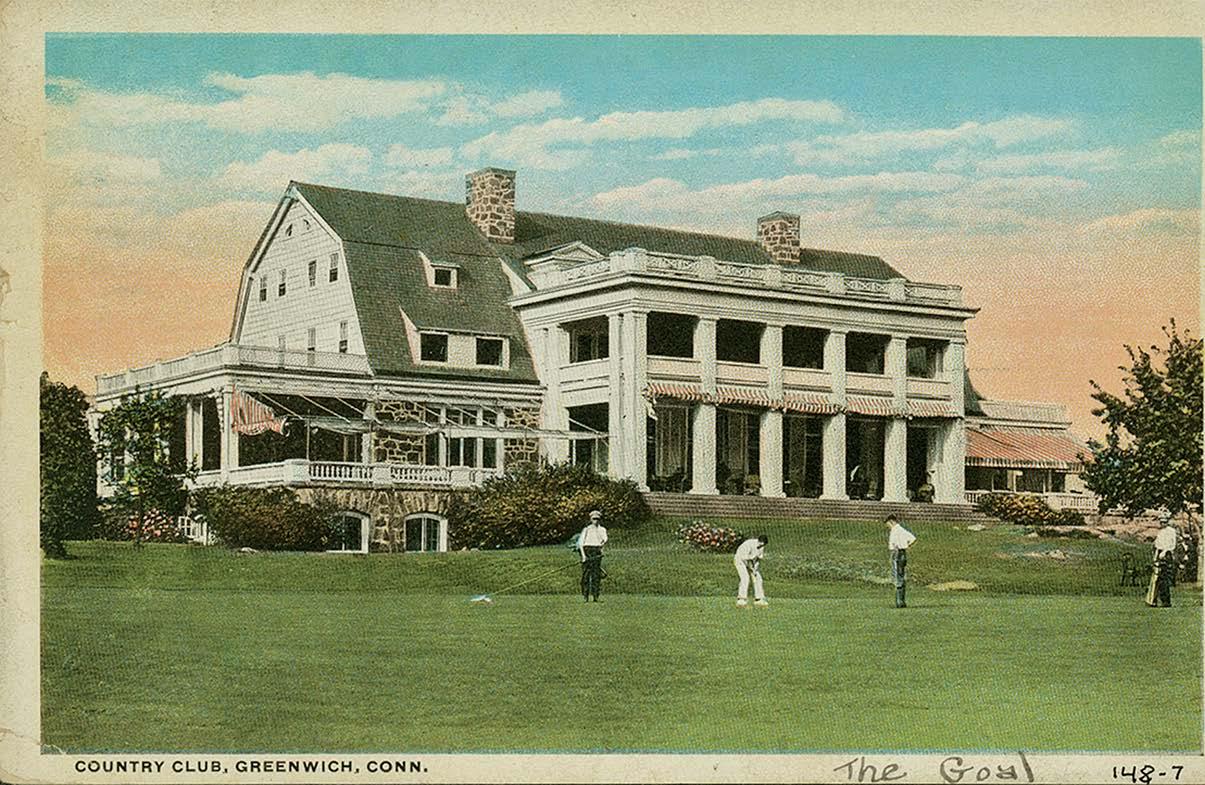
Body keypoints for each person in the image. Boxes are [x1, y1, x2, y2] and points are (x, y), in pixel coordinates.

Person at [1146, 513, 1178, 608]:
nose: (1162, 523)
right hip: (1159, 554)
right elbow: (1157, 545)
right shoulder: (1160, 532)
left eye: (1164, 522)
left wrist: (1164, 551)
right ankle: (1154, 599)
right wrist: (1156, 556)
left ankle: (1166, 601)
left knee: (1163, 579)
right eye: (1161, 522)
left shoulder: (1171, 531)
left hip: (1166, 554)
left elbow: (1172, 545)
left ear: (1167, 522)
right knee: (1157, 579)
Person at [886, 515, 916, 608]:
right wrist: (906, 546)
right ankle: (901, 600)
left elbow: (893, 544)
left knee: (898, 576)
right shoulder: (902, 530)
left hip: (897, 552)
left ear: (891, 521)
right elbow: (912, 539)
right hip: (902, 552)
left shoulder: (896, 530)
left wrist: (899, 547)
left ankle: (899, 601)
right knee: (901, 575)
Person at [578, 509, 608, 602]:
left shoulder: (602, 529)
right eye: (594, 519)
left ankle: (595, 596)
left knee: (596, 575)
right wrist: (583, 556)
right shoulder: (586, 529)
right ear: (591, 519)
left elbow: (604, 540)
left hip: (596, 551)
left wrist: (601, 548)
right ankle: (585, 596)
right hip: (587, 551)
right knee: (586, 575)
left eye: (597, 519)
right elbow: (581, 543)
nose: (596, 521)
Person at [733, 534, 769, 607]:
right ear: (758, 541)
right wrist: (751, 568)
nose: (761, 546)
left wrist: (755, 569)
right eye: (760, 544)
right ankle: (741, 599)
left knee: (758, 578)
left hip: (750, 562)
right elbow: (746, 559)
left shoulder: (761, 547)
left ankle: (759, 599)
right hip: (740, 561)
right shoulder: (749, 544)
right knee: (745, 578)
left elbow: (757, 559)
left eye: (763, 545)